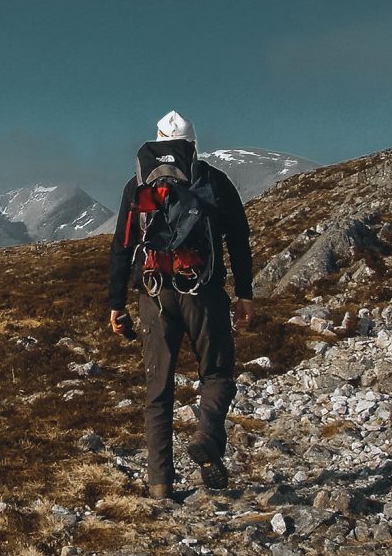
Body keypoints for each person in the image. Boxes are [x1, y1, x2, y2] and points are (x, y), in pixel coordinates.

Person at [108, 110, 254, 500]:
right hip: (202, 291)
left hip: (153, 292)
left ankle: (160, 484)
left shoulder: (137, 184)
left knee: (158, 388)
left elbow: (122, 245)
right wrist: (244, 294)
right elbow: (239, 239)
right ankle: (206, 435)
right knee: (217, 373)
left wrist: (116, 303)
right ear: (193, 144)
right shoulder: (213, 180)